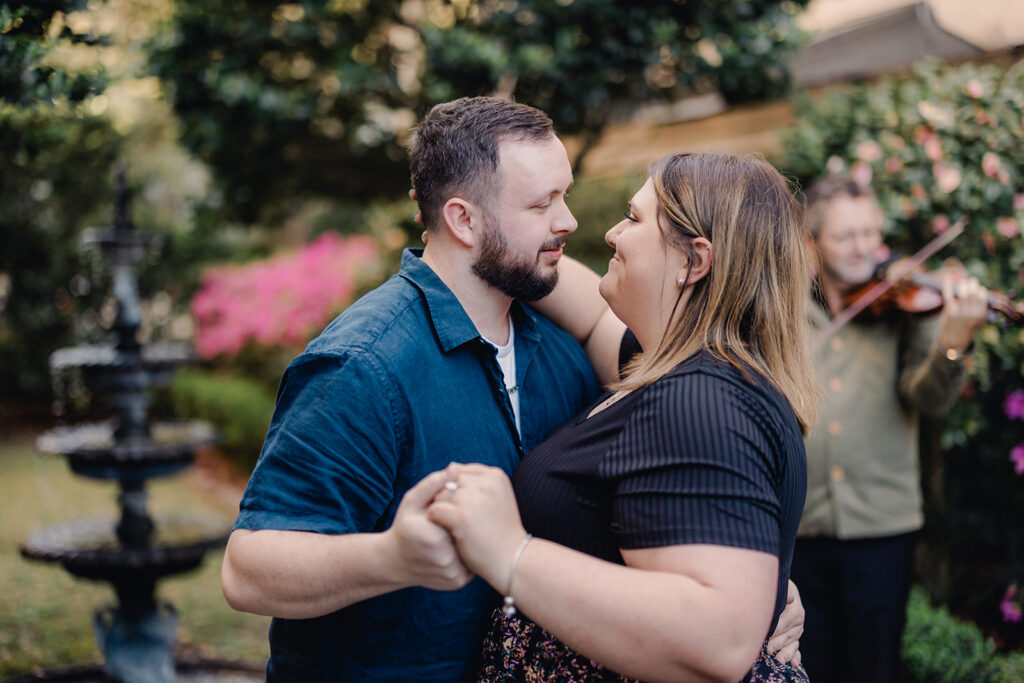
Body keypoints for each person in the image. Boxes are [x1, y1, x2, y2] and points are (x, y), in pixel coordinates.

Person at [220, 96, 601, 680]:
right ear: (464, 220)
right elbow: (247, 571)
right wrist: (391, 558)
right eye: (541, 203)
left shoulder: (560, 348)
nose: (568, 220)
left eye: (565, 193)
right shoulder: (364, 365)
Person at [413, 151, 818, 682]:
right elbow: (590, 317)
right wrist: (479, 243)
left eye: (633, 218)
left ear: (695, 262)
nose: (610, 233)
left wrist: (509, 552)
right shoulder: (675, 368)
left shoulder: (699, 402)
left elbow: (718, 640)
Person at [791, 176, 990, 682]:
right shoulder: (784, 305)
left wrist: (954, 343)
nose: (865, 249)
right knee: (806, 667)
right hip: (798, 526)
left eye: (871, 234)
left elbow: (928, 397)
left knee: (875, 670)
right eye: (846, 236)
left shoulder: (906, 305)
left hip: (881, 523)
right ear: (811, 239)